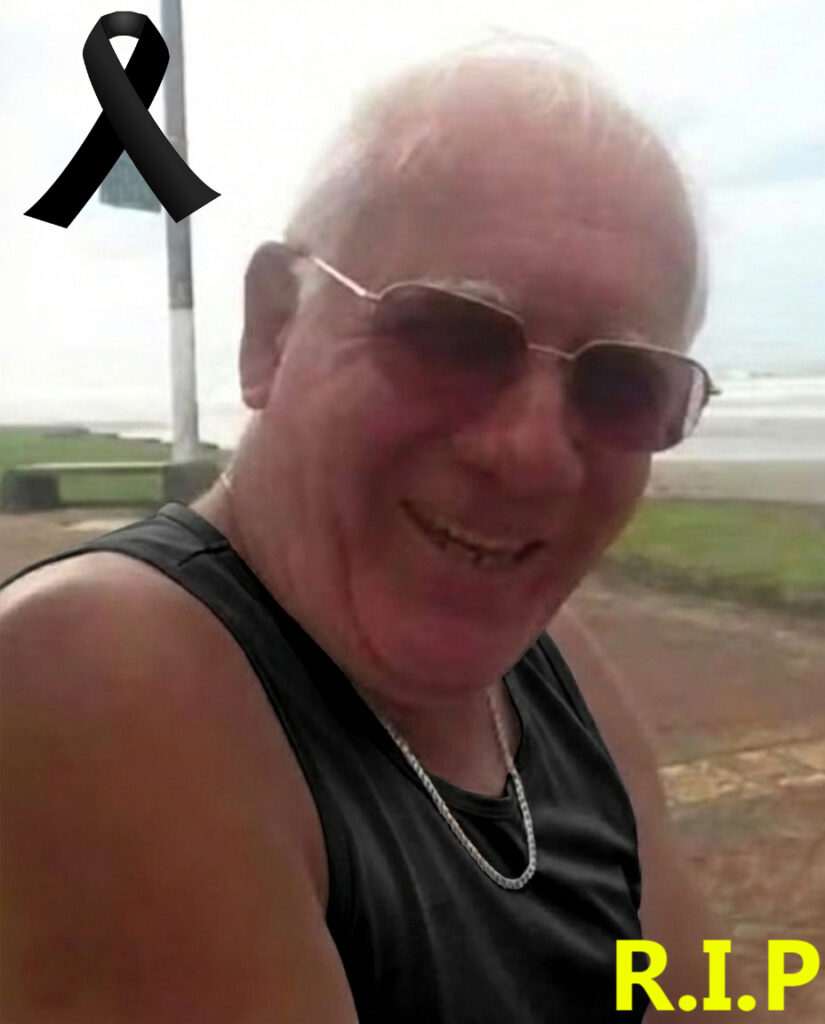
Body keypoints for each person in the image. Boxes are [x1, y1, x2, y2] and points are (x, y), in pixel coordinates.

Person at [2, 39, 745, 1023]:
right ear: (274, 328)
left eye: (623, 385)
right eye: (453, 336)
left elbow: (706, 991)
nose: (531, 454)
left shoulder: (555, 669)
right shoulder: (94, 671)